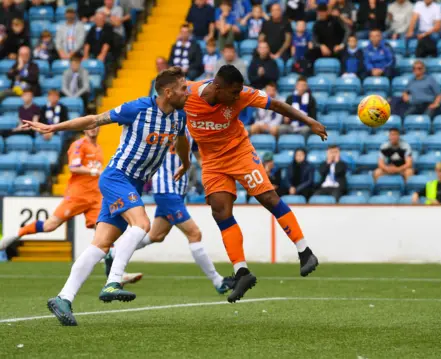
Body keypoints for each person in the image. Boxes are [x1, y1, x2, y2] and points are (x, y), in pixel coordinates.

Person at [21, 67, 191, 326]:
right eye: (183, 89)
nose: (187, 92)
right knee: (142, 224)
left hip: (133, 184)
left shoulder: (179, 117)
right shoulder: (138, 109)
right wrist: (53, 127)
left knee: (100, 244)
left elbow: (181, 141)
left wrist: (186, 162)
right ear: (168, 92)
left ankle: (63, 298)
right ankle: (113, 281)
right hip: (117, 177)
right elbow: (94, 120)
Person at [183, 64, 326, 302]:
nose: (238, 97)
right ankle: (242, 271)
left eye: (239, 92)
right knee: (220, 211)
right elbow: (163, 100)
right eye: (233, 93)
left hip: (239, 153)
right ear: (218, 87)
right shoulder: (188, 94)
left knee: (267, 198)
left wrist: (309, 121)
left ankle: (305, 251)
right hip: (212, 162)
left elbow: (278, 105)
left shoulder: (243, 94)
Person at [0, 127, 146, 292]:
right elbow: (74, 167)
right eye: (90, 127)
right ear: (85, 130)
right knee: (50, 226)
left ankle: (117, 275)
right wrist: (93, 170)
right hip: (77, 196)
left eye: (96, 126)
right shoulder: (78, 144)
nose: (93, 129)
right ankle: (15, 235)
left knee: (104, 234)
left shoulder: (98, 148)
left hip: (95, 198)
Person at [104, 130, 234, 295]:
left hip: (177, 191)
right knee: (194, 234)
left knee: (157, 236)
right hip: (166, 189)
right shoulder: (165, 122)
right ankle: (218, 281)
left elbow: (198, 155)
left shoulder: (190, 129)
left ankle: (113, 253)